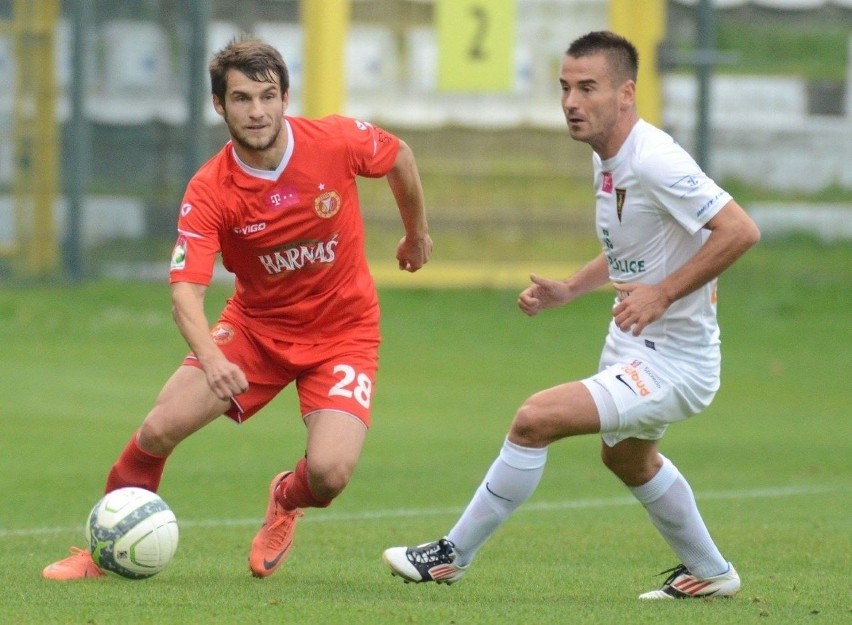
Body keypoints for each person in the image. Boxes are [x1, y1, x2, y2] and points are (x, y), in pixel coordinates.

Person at [382, 30, 760, 600]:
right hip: (635, 345)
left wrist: (661, 294)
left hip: (675, 362)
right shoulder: (609, 156)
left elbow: (740, 230)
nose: (571, 102)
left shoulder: (655, 159)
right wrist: (570, 289)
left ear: (626, 93)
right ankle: (711, 573)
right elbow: (629, 252)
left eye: (588, 88)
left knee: (534, 420)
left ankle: (449, 557)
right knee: (629, 461)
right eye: (564, 87)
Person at [43, 38, 432, 580]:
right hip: (256, 333)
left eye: (268, 96)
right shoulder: (210, 190)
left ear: (285, 97)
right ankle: (100, 555)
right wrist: (212, 358)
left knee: (330, 474)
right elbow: (184, 293)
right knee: (158, 430)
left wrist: (416, 235)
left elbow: (400, 157)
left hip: (345, 332)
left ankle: (286, 498)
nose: (257, 111)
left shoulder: (336, 141)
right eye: (242, 98)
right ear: (218, 106)